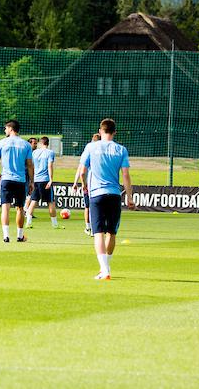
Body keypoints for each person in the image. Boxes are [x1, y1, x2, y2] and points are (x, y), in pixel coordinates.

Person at [73, 118, 134, 280]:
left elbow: (82, 171)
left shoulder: (91, 147)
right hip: (114, 194)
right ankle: (106, 268)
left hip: (96, 194)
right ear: (114, 132)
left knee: (98, 232)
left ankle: (104, 269)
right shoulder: (121, 150)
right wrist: (129, 197)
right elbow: (126, 175)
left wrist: (84, 184)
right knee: (111, 233)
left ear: (100, 131)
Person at [0, 119, 33, 243]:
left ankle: (6, 236)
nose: (5, 130)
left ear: (10, 128)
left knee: (5, 207)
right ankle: (20, 236)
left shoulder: (2, 142)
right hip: (20, 180)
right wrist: (31, 181)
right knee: (20, 208)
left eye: (6, 128)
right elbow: (30, 165)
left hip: (6, 179)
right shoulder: (26, 145)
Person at [25, 136, 62, 229]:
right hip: (45, 180)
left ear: (41, 143)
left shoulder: (34, 153)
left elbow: (31, 166)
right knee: (51, 202)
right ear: (48, 143)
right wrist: (51, 179)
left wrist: (32, 180)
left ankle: (28, 223)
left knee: (33, 201)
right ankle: (55, 224)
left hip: (36, 180)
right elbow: (50, 166)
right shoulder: (50, 153)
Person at [82, 133, 100, 236]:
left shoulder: (89, 150)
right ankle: (96, 229)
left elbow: (81, 171)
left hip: (90, 183)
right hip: (101, 185)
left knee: (89, 207)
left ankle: (91, 228)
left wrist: (82, 184)